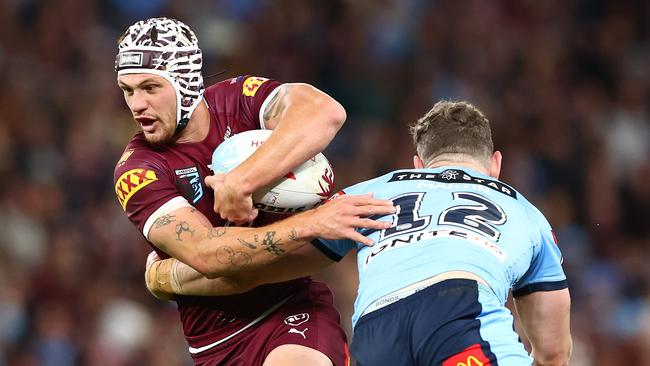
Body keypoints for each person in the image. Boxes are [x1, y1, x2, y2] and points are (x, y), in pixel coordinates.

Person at [148, 100, 573, 365]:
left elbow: (251, 268)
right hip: (458, 311)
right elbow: (553, 352)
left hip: (376, 330)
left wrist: (164, 277)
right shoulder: (527, 212)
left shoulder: (374, 191)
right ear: (495, 163)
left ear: (418, 165)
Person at [113, 17, 395, 366]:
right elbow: (207, 255)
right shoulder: (137, 171)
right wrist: (310, 224)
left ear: (185, 82)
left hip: (293, 311)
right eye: (128, 90)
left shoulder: (237, 97)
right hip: (213, 341)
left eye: (150, 87)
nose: (137, 104)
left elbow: (325, 111)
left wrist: (241, 180)